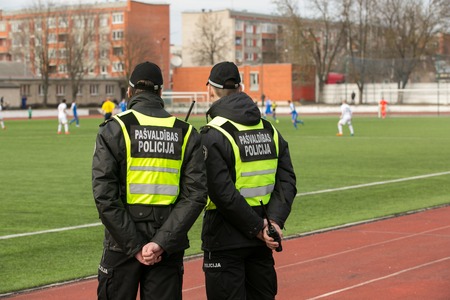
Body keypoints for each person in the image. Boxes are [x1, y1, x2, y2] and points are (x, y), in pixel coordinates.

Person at [92, 61, 207, 300]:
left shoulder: (113, 129)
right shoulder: (186, 133)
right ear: (161, 92)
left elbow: (105, 196)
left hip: (121, 244)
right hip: (166, 245)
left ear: (129, 91)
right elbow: (195, 196)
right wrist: (160, 243)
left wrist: (134, 247)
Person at [200, 61, 297, 300]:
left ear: (212, 89)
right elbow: (287, 182)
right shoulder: (270, 130)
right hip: (264, 236)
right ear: (241, 87)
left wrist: (257, 228)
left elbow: (222, 193)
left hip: (225, 237)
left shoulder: (213, 133)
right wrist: (272, 222)